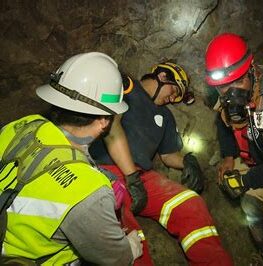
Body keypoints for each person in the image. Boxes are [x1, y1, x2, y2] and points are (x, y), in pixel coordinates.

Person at [0, 52, 142, 265]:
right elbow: (116, 259)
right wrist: (131, 246)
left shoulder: (22, 125)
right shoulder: (90, 193)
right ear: (104, 121)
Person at [90, 62, 233, 265]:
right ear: (163, 76)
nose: (172, 99)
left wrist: (188, 161)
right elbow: (111, 127)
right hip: (106, 170)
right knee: (123, 230)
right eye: (174, 90)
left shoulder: (166, 116)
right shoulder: (127, 86)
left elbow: (168, 155)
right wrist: (130, 176)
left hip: (142, 178)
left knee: (191, 203)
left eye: (177, 97)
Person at [204, 32, 263, 265]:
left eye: (238, 81)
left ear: (252, 71)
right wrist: (229, 156)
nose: (231, 93)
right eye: (223, 87)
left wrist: (247, 182)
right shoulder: (227, 99)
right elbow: (223, 122)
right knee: (224, 176)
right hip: (255, 161)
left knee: (252, 208)